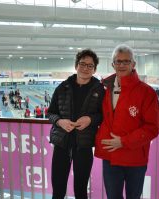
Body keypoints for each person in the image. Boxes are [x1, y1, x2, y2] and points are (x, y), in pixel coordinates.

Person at [94, 44, 159, 199]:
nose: (122, 65)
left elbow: (153, 127)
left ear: (133, 64)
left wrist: (124, 141)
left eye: (126, 61)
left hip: (135, 157)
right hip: (110, 156)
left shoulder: (146, 92)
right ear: (113, 65)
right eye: (118, 62)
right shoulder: (104, 89)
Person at [48, 49, 105, 199]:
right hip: (62, 144)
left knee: (81, 190)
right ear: (76, 65)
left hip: (84, 146)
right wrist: (60, 121)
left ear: (94, 69)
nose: (86, 68)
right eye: (82, 64)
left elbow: (103, 116)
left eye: (90, 66)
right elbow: (51, 113)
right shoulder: (63, 87)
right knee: (58, 189)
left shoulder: (100, 90)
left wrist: (90, 120)